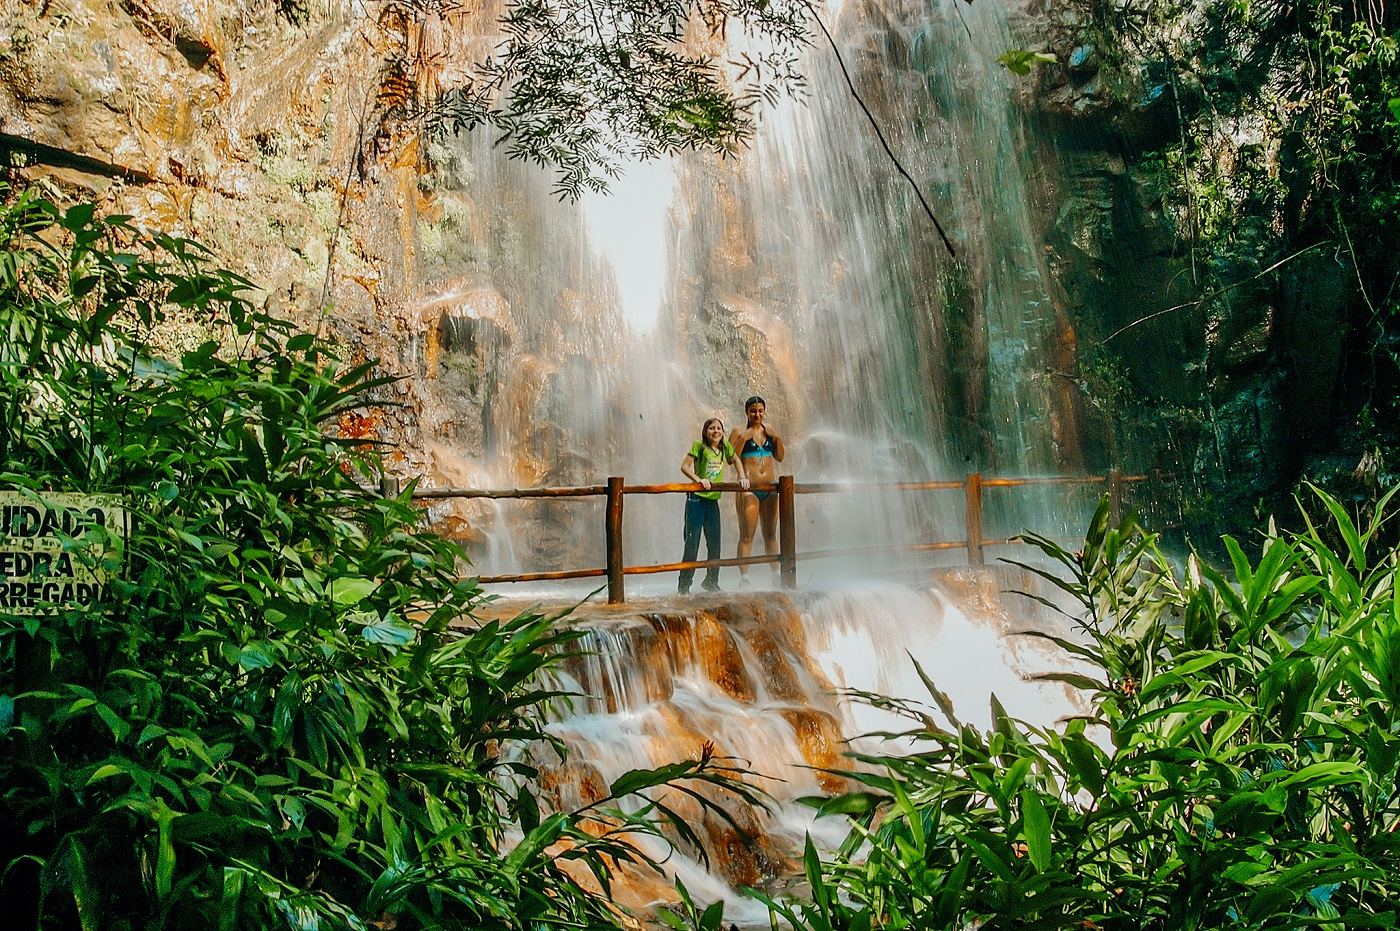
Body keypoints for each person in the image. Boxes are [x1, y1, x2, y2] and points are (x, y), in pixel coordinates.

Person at [678, 418, 748, 593]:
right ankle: (684, 586)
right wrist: (699, 480)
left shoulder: (725, 448)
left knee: (715, 542)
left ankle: (711, 581)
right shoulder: (698, 446)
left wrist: (741, 476)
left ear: (723, 432)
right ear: (705, 431)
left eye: (719, 428)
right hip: (696, 500)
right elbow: (685, 467)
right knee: (692, 543)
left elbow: (737, 460)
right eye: (711, 428)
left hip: (712, 501)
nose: (715, 431)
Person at [729, 396, 785, 585]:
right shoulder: (738, 431)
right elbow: (730, 458)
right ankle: (744, 578)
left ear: (764, 411)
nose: (757, 414)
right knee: (747, 535)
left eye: (760, 410)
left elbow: (780, 457)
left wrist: (776, 436)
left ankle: (775, 575)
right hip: (748, 489)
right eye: (753, 411)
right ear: (746, 412)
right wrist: (744, 438)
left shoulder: (769, 432)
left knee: (770, 534)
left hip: (769, 487)